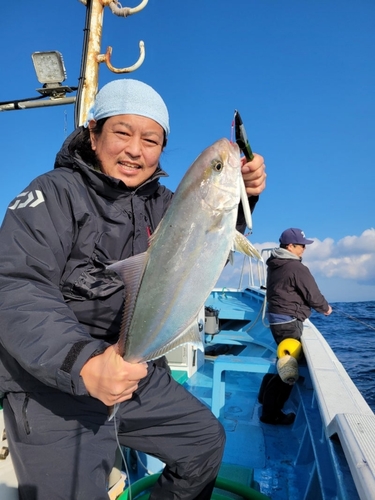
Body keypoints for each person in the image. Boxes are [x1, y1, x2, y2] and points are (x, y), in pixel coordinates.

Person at [0, 78, 266, 500]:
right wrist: (85, 364)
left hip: (133, 368)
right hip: (54, 382)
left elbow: (200, 243)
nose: (135, 150)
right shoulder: (52, 193)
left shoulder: (162, 203)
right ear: (93, 134)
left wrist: (241, 196)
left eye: (151, 139)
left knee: (204, 444)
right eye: (122, 132)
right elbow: (15, 285)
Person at [259, 227, 332, 425]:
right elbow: (312, 294)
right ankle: (270, 413)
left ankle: (263, 396)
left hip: (277, 321)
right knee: (289, 371)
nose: (304, 249)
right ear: (290, 246)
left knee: (283, 360)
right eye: (301, 246)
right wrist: (325, 308)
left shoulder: (275, 264)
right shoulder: (296, 268)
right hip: (289, 324)